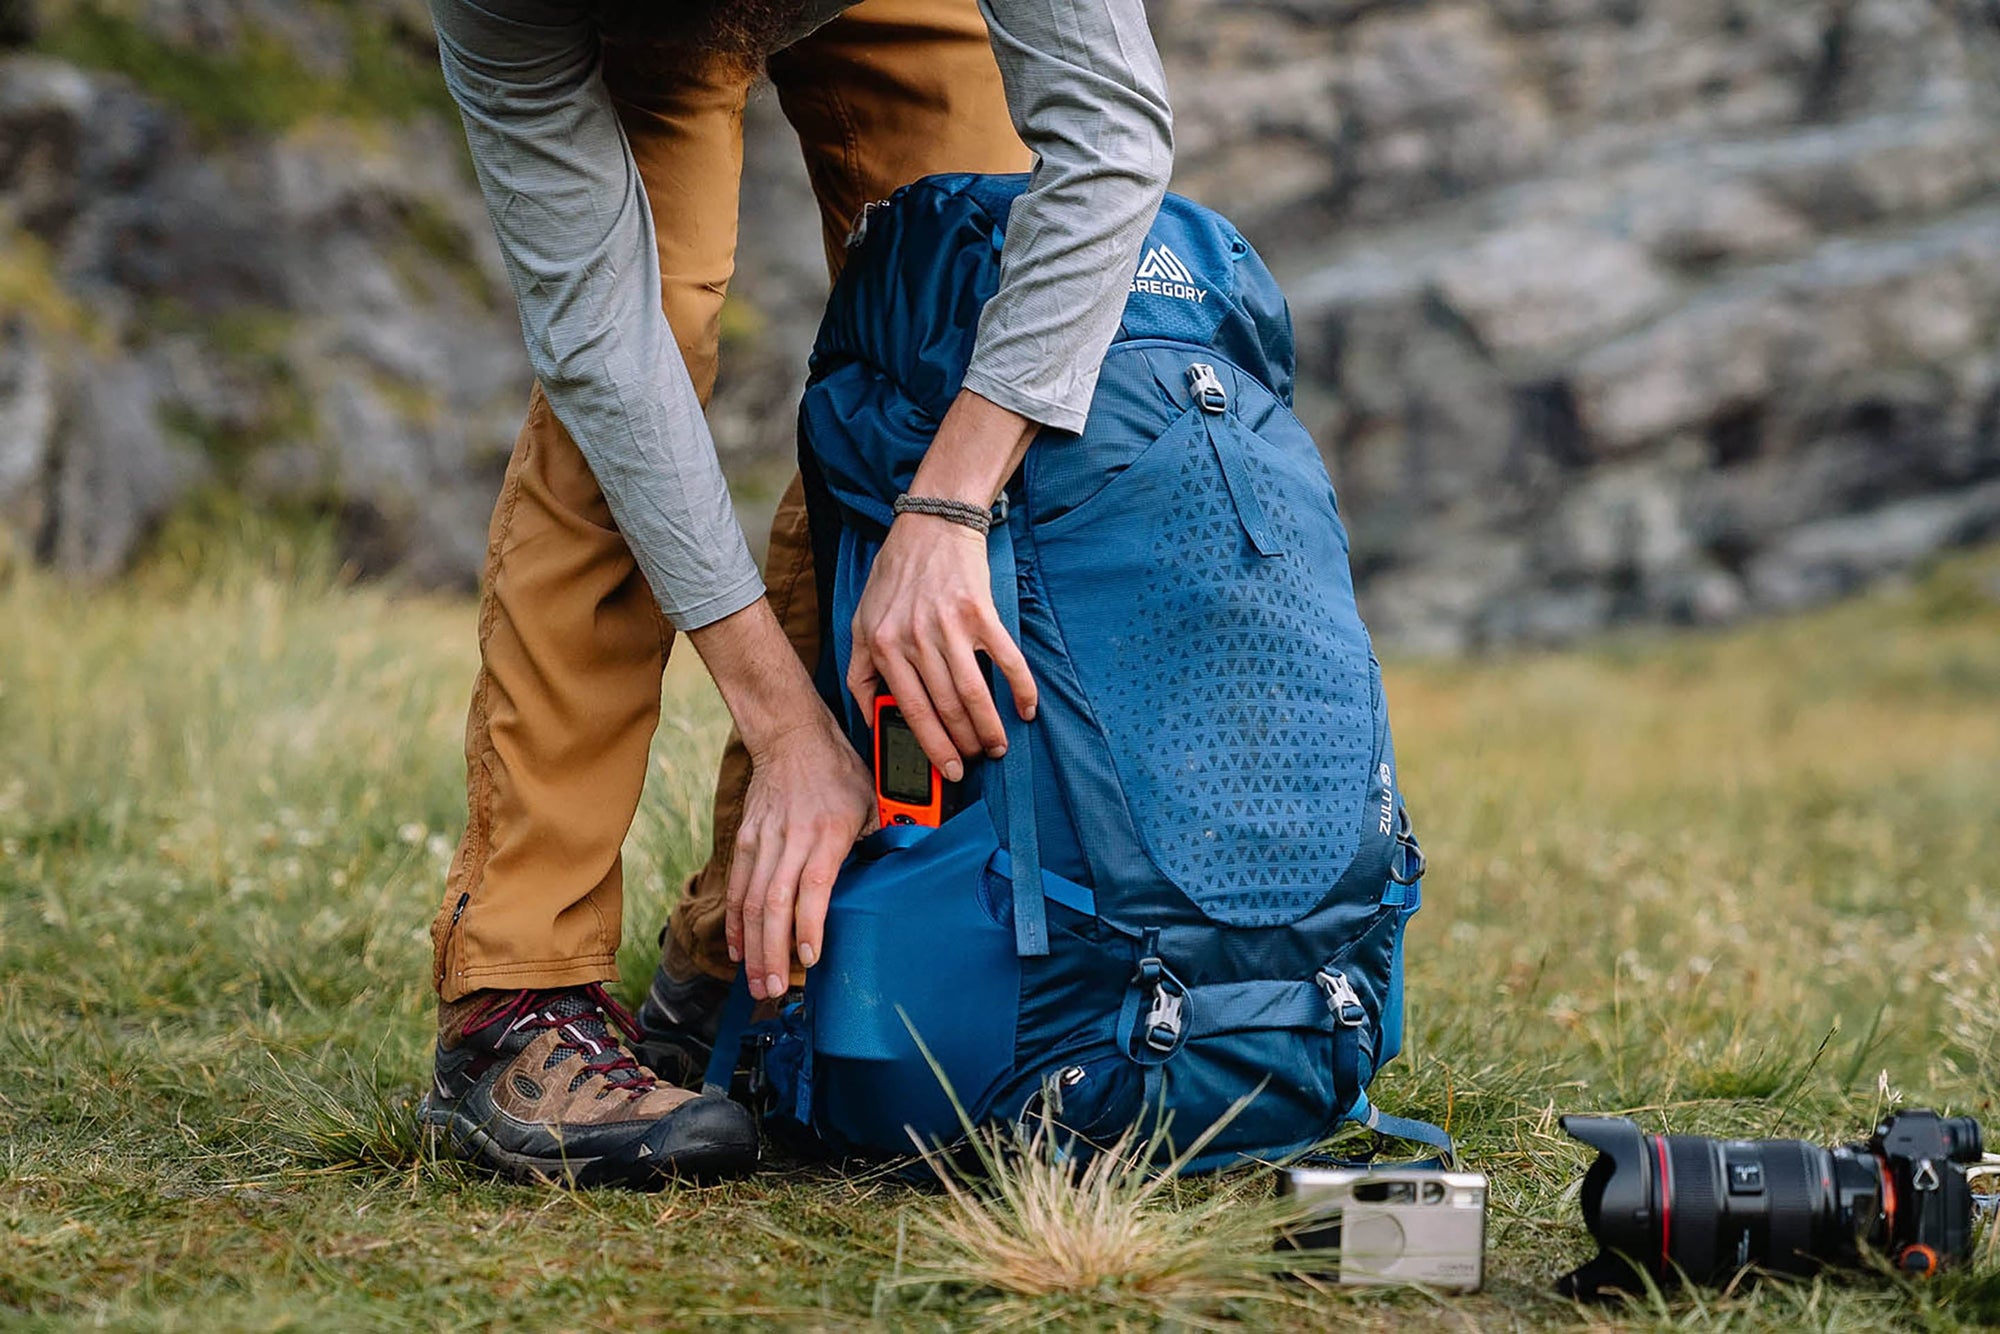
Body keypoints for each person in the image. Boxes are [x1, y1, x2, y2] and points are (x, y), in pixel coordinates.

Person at [417, 0, 1172, 1187]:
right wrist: (783, 726)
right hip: (616, 37)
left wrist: (947, 501)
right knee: (631, 380)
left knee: (978, 309)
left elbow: (1112, 140)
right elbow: (607, 354)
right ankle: (518, 990)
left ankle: (750, 956)